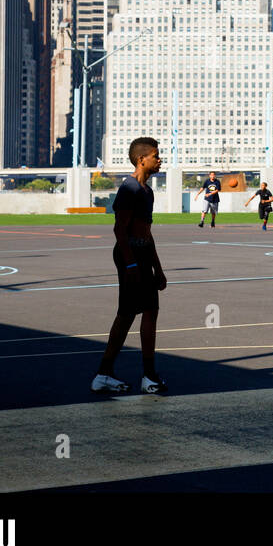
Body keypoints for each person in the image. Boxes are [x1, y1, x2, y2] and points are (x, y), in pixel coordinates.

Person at [92, 137, 168, 395]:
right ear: (141, 159)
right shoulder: (130, 188)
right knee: (137, 312)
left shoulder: (147, 191)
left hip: (142, 254)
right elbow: (119, 230)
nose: (160, 160)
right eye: (156, 155)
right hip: (130, 255)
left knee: (138, 313)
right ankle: (142, 375)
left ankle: (108, 374)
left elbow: (147, 233)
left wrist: (158, 268)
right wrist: (132, 264)